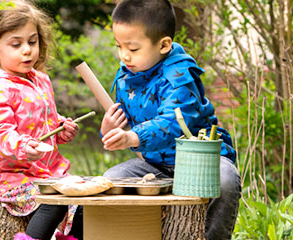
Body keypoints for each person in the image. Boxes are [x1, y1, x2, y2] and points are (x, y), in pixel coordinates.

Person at [100, 0, 241, 239]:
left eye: (133, 49)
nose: (124, 56)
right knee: (109, 182)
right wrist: (109, 129)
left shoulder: (180, 76)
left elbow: (173, 123)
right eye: (119, 46)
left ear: (164, 44)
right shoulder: (127, 76)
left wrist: (133, 136)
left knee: (225, 180)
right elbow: (126, 123)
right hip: (156, 166)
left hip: (199, 160)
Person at [0, 1, 82, 239]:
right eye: (16, 44)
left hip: (48, 172)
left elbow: (42, 118)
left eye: (32, 41)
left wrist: (60, 128)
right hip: (12, 177)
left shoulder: (39, 80)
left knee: (81, 198)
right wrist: (22, 146)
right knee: (53, 199)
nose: (27, 50)